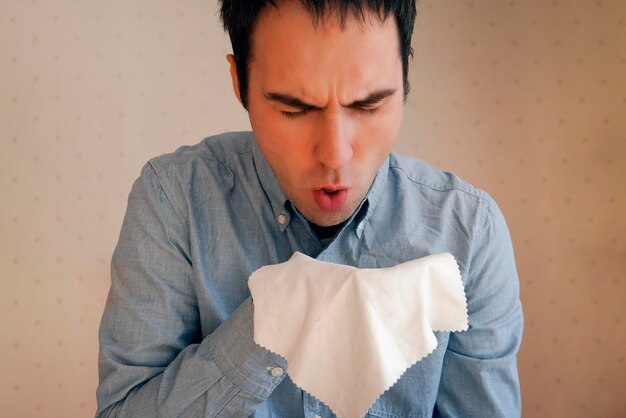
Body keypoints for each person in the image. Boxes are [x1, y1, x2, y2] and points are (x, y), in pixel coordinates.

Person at [96, 0, 523, 417]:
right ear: (238, 82)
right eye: (294, 109)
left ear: (406, 70)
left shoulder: (469, 230)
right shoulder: (174, 199)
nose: (335, 155)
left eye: (368, 105)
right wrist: (274, 317)